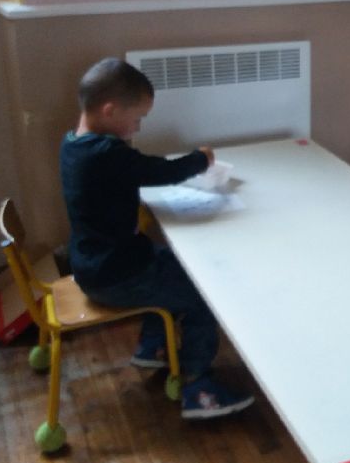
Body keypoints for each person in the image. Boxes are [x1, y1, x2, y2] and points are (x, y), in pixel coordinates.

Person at [60, 57, 253, 419]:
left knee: (174, 262)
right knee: (203, 293)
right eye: (137, 119)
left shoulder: (73, 143)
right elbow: (159, 171)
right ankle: (199, 388)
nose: (138, 127)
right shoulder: (106, 154)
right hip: (116, 275)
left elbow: (132, 172)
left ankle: (154, 346)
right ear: (109, 110)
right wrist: (200, 159)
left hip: (94, 264)